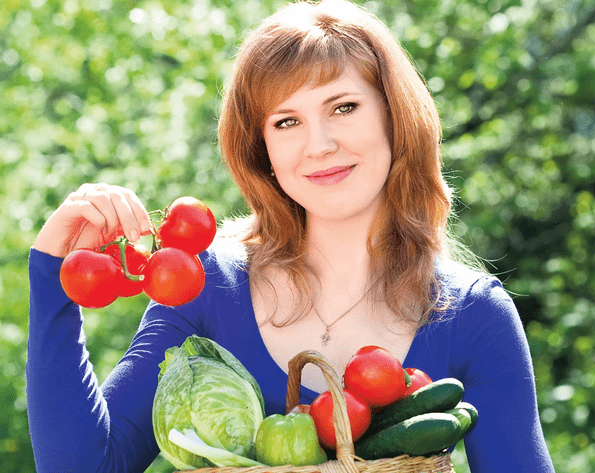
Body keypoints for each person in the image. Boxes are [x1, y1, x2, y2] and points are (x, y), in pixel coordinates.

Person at [27, 0, 555, 471]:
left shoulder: (473, 315)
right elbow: (85, 467)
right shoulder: (205, 285)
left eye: (343, 107)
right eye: (286, 122)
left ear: (394, 117)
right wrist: (54, 277)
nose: (319, 145)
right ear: (263, 151)